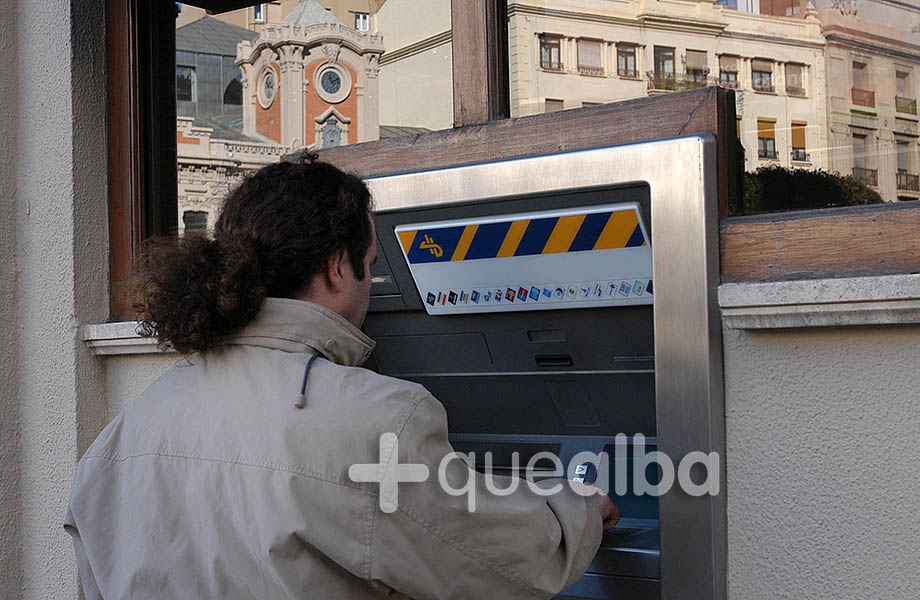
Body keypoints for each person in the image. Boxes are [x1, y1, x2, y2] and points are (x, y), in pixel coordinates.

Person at [65, 156, 619, 599]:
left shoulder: (124, 436)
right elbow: (496, 559)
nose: (371, 283)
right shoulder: (377, 418)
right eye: (370, 265)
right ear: (337, 267)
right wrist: (579, 510)